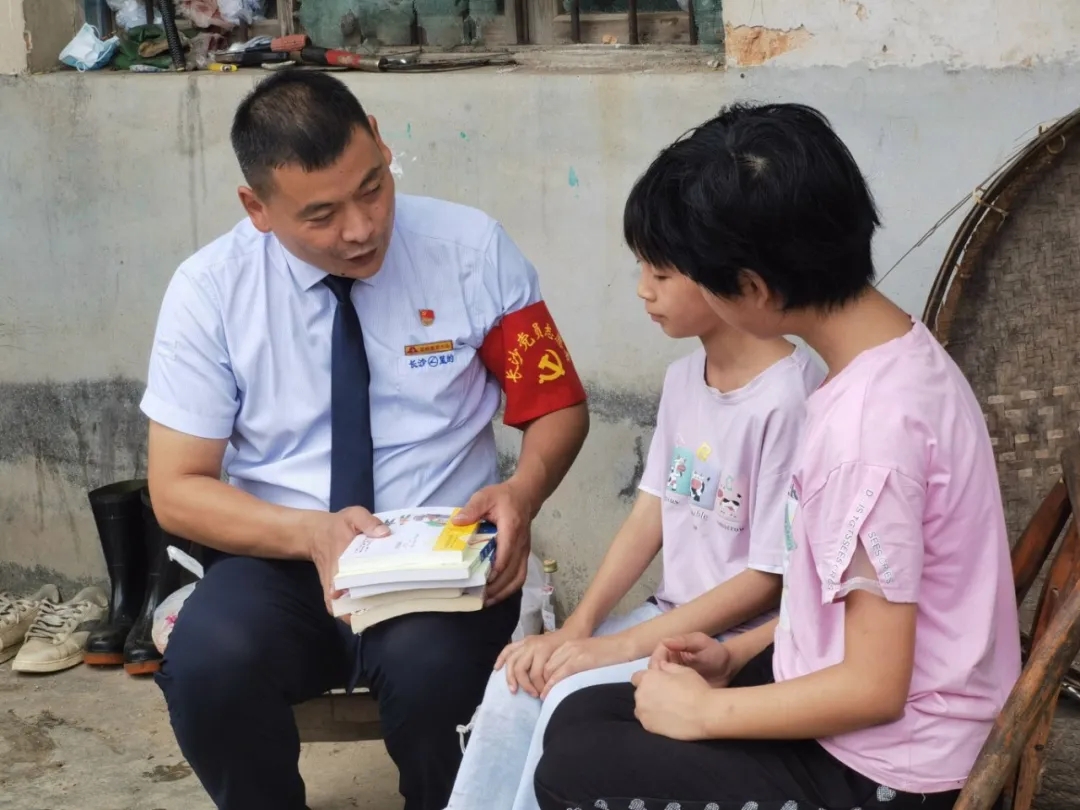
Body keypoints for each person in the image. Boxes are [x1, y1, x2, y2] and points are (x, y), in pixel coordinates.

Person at [531, 102, 1022, 810]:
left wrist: (706, 712)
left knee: (573, 767)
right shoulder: (895, 358)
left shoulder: (867, 434)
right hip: (867, 715)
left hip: (890, 771)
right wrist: (737, 652)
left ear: (754, 290)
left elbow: (874, 688)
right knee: (583, 717)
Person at [140, 69, 589, 810]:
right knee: (209, 663)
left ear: (379, 141)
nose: (361, 228)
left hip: (440, 557)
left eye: (373, 188)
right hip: (283, 557)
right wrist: (311, 535)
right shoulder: (211, 291)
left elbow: (557, 406)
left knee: (433, 676)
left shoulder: (469, 250)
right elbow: (177, 489)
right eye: (320, 215)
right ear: (257, 208)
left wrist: (523, 490)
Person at [446, 211, 824, 810]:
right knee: (516, 680)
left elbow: (768, 579)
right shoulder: (683, 379)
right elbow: (649, 514)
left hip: (736, 644)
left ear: (728, 274)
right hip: (665, 616)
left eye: (663, 274)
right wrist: (577, 628)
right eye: (641, 269)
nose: (644, 290)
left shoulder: (789, 395)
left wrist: (613, 648)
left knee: (565, 697)